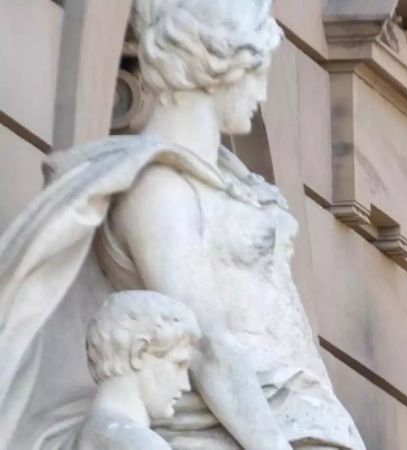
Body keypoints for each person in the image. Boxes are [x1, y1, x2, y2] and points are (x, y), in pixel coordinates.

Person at [0, 1, 362, 448]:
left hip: (292, 420)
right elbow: (209, 345)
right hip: (235, 430)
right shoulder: (159, 188)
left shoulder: (227, 181)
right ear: (218, 62)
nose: (262, 93)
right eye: (257, 71)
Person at [73, 291, 200, 450]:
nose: (185, 384)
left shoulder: (95, 433)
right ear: (138, 353)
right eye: (178, 365)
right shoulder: (140, 444)